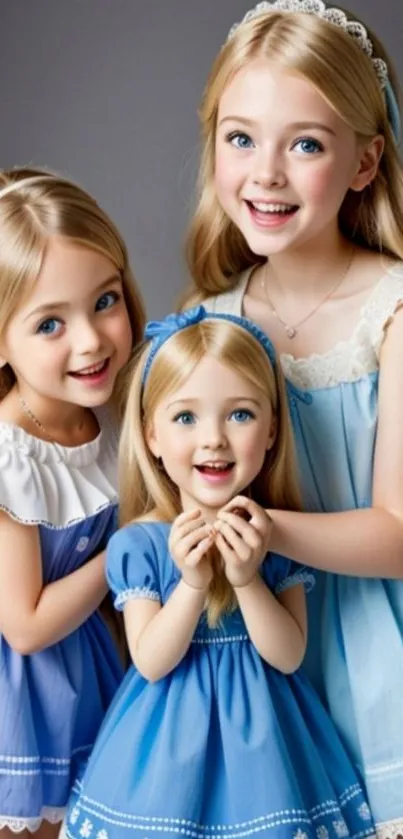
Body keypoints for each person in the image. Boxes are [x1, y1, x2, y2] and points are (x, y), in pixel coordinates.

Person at [181, 2, 403, 835]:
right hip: (257, 672)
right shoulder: (208, 322)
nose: (264, 173)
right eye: (240, 137)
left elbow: (398, 529)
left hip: (379, 663)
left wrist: (260, 530)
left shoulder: (392, 313)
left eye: (304, 143)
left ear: (363, 162)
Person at [64, 306, 375, 839]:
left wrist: (249, 579)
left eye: (240, 414)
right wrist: (191, 585)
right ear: (152, 437)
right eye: (186, 417)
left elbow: (288, 654)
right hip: (164, 750)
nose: (214, 439)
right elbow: (151, 661)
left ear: (273, 428)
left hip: (267, 748)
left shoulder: (276, 538)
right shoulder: (140, 543)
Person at [0, 167, 145, 837]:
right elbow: (24, 623)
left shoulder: (114, 414)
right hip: (22, 697)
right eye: (50, 322)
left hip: (93, 668)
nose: (90, 340)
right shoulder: (11, 455)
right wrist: (130, 544)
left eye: (105, 301)